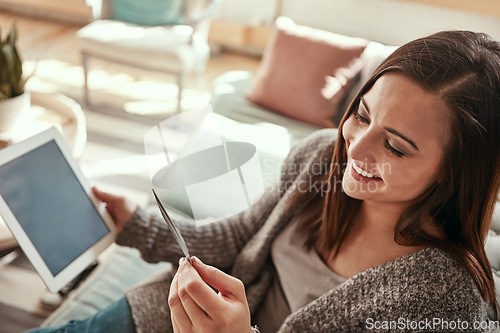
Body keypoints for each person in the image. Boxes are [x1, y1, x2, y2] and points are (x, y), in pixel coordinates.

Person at [29, 30, 500, 332]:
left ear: (457, 175)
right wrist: (135, 224)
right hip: (168, 318)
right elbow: (239, 237)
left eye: (395, 146)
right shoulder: (321, 157)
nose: (354, 149)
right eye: (361, 114)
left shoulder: (446, 304)